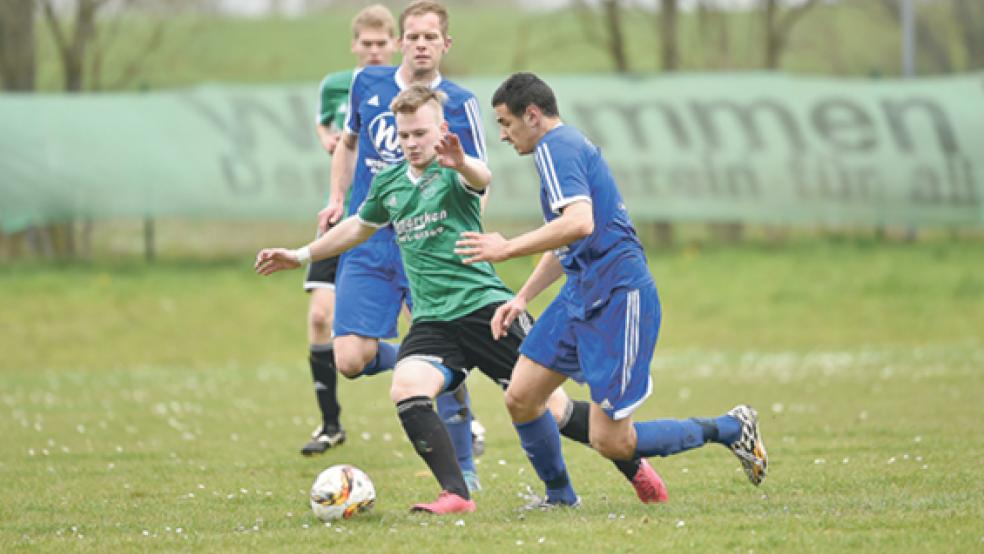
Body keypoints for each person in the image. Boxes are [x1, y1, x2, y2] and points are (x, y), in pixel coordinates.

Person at [256, 85, 668, 514]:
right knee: (407, 388)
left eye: (420, 133)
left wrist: (462, 162)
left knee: (555, 410)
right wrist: (300, 254)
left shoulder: (455, 169)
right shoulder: (391, 182)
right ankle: (456, 495)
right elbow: (359, 225)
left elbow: (481, 178)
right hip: (433, 320)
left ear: (441, 130)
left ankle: (630, 465)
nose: (412, 143)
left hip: (485, 312)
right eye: (404, 136)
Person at [454, 72, 769, 509]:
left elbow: (578, 223)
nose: (503, 135)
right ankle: (560, 497)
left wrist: (506, 248)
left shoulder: (555, 147)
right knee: (522, 396)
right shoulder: (559, 149)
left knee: (612, 441)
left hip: (620, 297)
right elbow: (568, 237)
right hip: (581, 292)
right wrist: (523, 297)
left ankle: (730, 428)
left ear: (532, 115)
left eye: (505, 123)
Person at [317, 0, 485, 490]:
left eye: (431, 37)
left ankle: (465, 472)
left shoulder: (460, 101)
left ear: (445, 44)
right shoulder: (366, 85)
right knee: (350, 359)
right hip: (369, 240)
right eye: (413, 36)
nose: (421, 45)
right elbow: (348, 144)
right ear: (399, 41)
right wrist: (335, 199)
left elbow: (476, 177)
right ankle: (439, 368)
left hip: (429, 242)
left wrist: (466, 227)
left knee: (439, 348)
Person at [301, 4, 399, 456]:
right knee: (320, 317)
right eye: (367, 44)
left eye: (383, 44)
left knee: (437, 321)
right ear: (355, 45)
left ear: (394, 44)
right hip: (345, 214)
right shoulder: (339, 86)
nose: (375, 51)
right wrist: (331, 141)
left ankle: (464, 415)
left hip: (395, 221)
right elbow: (331, 130)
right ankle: (330, 424)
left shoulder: (407, 88)